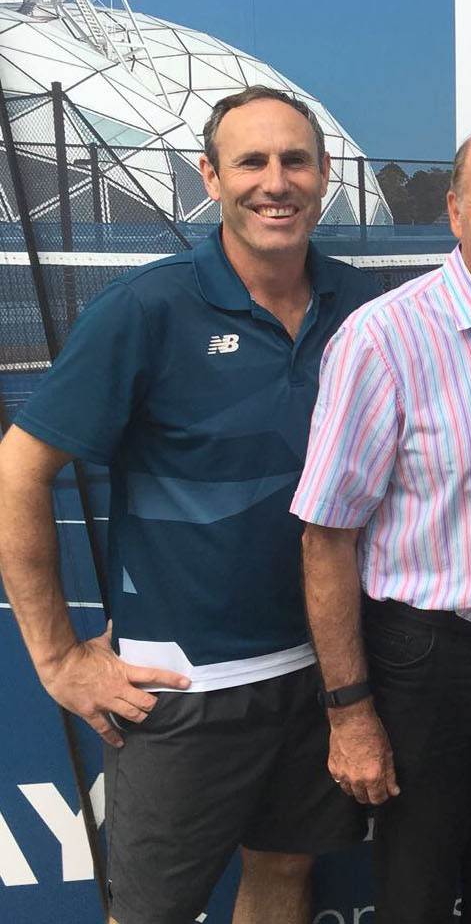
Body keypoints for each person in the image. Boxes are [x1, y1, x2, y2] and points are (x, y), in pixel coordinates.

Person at [0, 85, 376, 923]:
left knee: (284, 875)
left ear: (323, 176)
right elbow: (19, 467)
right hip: (180, 686)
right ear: (211, 176)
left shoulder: (361, 306)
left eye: (296, 161)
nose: (275, 181)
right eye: (251, 161)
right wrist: (58, 659)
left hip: (322, 674)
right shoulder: (146, 307)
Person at [292, 114, 471, 923]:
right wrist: (349, 709)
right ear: (455, 209)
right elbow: (326, 536)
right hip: (429, 666)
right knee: (417, 895)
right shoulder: (382, 338)